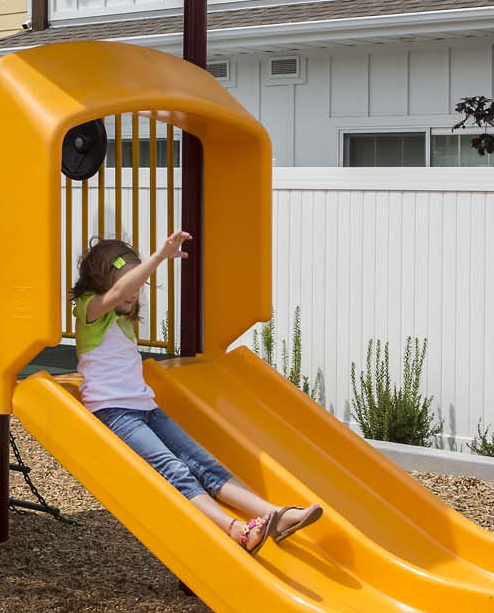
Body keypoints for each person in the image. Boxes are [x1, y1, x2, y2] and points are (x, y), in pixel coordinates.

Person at [72, 233, 322, 553]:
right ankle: (234, 530)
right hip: (115, 413)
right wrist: (160, 256)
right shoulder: (89, 310)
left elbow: (123, 290)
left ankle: (274, 515)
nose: (134, 293)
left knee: (202, 462)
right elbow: (119, 291)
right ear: (104, 281)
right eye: (129, 284)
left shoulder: (121, 319)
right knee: (174, 469)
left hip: (144, 406)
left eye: (139, 287)